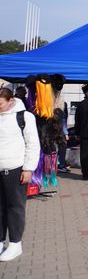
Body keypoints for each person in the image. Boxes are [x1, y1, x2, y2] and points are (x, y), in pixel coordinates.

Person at [0, 87, 40, 262]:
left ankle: (15, 243)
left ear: (10, 101)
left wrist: (28, 168)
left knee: (15, 207)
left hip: (15, 168)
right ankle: (0, 241)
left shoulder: (24, 117)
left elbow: (33, 144)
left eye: (0, 104)